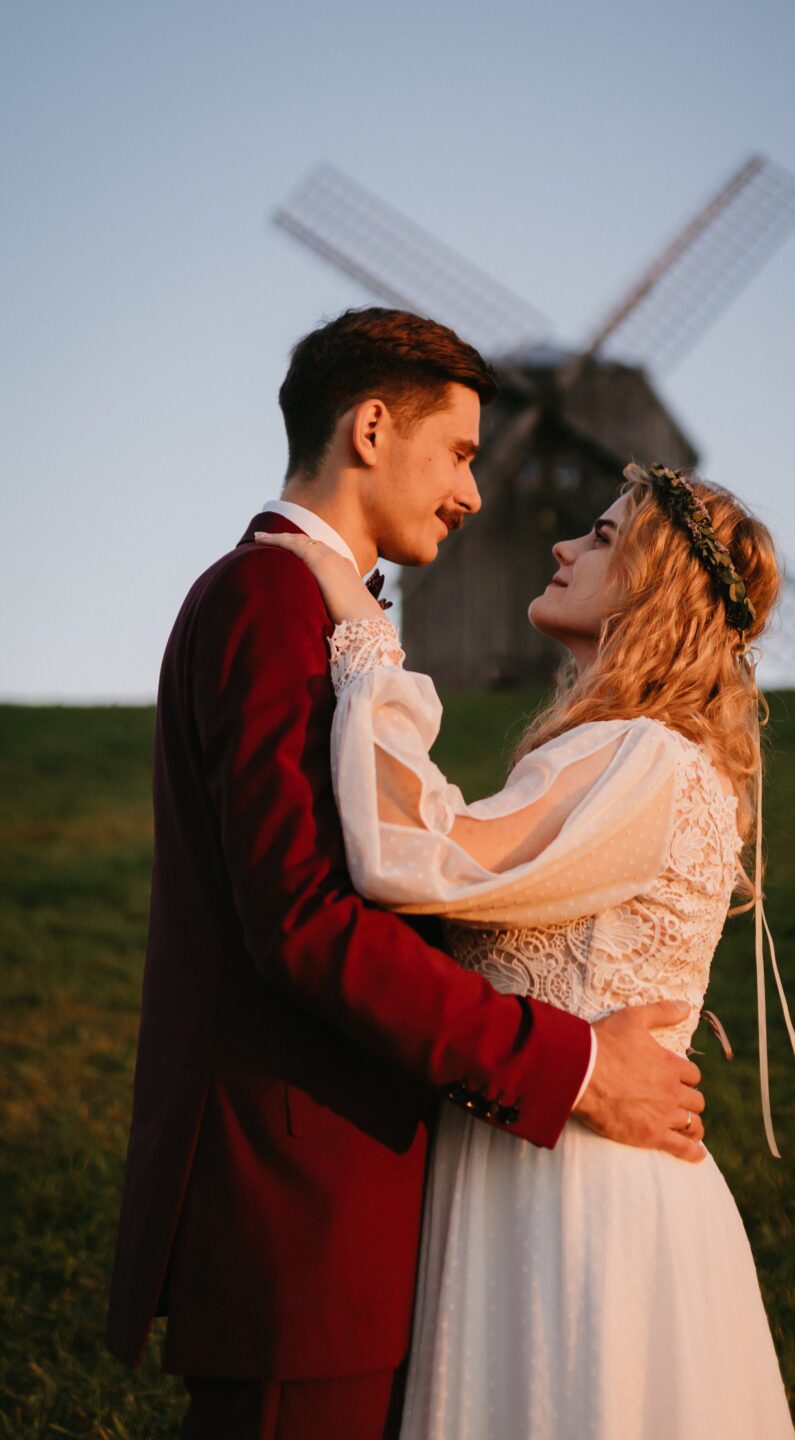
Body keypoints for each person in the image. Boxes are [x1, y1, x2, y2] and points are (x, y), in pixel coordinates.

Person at [106, 308, 707, 1440]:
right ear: (373, 429)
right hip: (301, 1206)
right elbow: (305, 922)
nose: (476, 494)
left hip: (350, 1201)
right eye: (462, 453)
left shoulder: (315, 610)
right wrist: (575, 1066)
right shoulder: (269, 598)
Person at [256, 459, 795, 1439]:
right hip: (551, 1166)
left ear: (659, 586)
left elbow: (415, 854)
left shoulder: (642, 754)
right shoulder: (660, 754)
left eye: (603, 537)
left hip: (573, 1193)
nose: (565, 546)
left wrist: (366, 646)